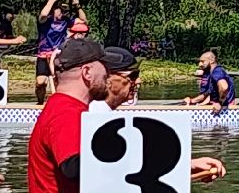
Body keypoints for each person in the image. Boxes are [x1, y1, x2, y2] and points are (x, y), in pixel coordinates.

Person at [96, 46, 226, 182]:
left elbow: (135, 165)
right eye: (133, 76)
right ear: (108, 78)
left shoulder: (105, 114)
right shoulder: (95, 115)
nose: (139, 81)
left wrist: (189, 165)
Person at [26, 37, 108, 193]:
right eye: (104, 66)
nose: (108, 73)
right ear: (87, 72)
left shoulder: (61, 107)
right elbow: (74, 168)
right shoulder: (67, 113)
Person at [32, 0, 81, 105]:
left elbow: (84, 21)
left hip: (58, 54)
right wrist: (51, 1)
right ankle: (40, 102)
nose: (63, 13)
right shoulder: (45, 20)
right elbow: (43, 14)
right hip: (43, 55)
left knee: (58, 81)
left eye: (65, 10)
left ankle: (60, 103)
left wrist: (78, 6)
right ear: (54, 9)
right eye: (61, 10)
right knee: (41, 82)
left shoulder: (66, 20)